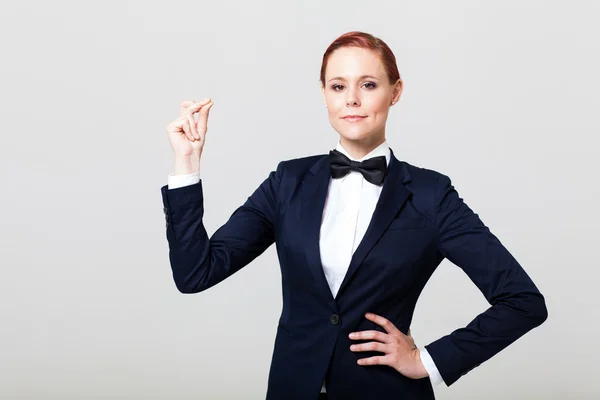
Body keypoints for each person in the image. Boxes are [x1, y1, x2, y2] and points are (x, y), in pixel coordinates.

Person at [160, 31, 548, 400]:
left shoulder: (431, 195)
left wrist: (426, 360)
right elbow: (196, 274)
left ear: (395, 92)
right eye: (338, 86)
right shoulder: (287, 182)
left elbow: (522, 301)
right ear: (325, 95)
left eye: (368, 85)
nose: (352, 100)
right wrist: (186, 164)